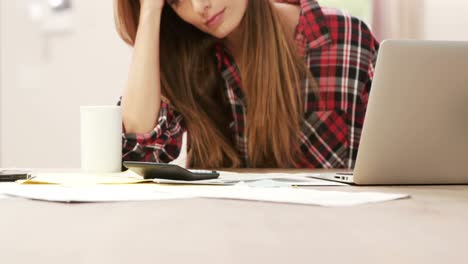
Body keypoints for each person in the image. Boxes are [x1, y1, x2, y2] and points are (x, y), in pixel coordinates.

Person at [114, 0, 379, 169]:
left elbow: (397, 160)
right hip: (229, 242)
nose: (198, 7)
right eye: (176, 1)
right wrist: (149, 10)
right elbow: (139, 153)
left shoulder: (344, 39)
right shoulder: (189, 61)